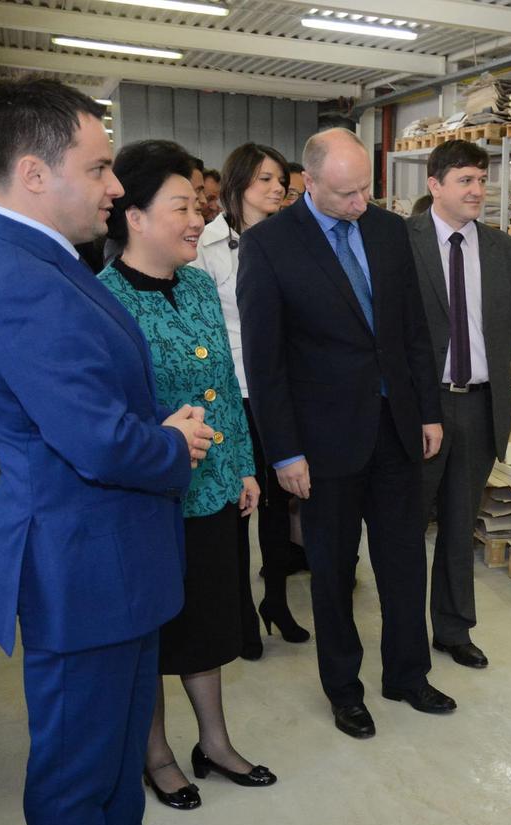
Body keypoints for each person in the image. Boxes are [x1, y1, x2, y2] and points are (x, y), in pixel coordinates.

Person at [0, 77, 212, 825]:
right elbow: (97, 440)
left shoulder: (48, 260)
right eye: (99, 167)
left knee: (117, 730)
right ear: (35, 173)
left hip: (112, 551)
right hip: (78, 557)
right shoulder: (20, 282)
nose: (114, 186)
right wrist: (172, 443)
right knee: (76, 752)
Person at [238, 127, 455, 739]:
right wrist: (284, 451)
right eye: (345, 194)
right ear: (308, 183)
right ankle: (344, 688)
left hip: (395, 427)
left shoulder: (387, 230)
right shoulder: (270, 245)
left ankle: (408, 674)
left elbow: (413, 329)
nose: (360, 203)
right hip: (322, 440)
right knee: (332, 572)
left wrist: (428, 410)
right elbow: (264, 361)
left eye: (365, 189)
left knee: (404, 559)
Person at [99, 139, 276, 811]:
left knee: (207, 622)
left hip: (215, 491)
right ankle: (157, 755)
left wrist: (244, 467)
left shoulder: (199, 284)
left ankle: (215, 742)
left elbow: (224, 386)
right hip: (151, 500)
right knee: (153, 633)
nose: (198, 219)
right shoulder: (106, 301)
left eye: (198, 206)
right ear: (135, 216)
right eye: (182, 207)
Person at [406, 140, 511, 671]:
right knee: (406, 526)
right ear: (435, 185)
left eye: (481, 180)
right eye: (465, 181)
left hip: (478, 405)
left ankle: (454, 630)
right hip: (422, 407)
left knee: (460, 527)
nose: (478, 190)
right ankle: (405, 632)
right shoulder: (402, 242)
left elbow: (510, 330)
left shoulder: (504, 251)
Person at [195, 142, 308, 660]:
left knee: (283, 501)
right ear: (238, 183)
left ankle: (277, 602)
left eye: (281, 180)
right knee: (240, 504)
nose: (277, 188)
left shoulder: (293, 240)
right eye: (265, 179)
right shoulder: (206, 245)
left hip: (280, 387)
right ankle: (241, 614)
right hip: (232, 391)